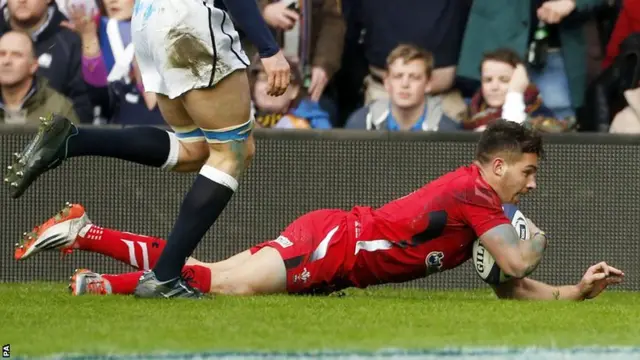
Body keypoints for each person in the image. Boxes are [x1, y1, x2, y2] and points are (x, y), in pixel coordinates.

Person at [15, 120, 624, 300]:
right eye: (529, 171)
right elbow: (516, 267)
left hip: (334, 246)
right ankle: (91, 250)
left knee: (206, 276)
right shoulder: (478, 195)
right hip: (336, 245)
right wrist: (534, 238)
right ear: (497, 166)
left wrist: (577, 291)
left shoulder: (481, 206)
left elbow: (513, 290)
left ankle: (88, 244)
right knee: (221, 287)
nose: (533, 184)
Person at [4, 0, 291, 299]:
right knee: (232, 152)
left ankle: (72, 140)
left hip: (148, 20)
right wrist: (269, 49)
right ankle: (165, 277)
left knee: (196, 149)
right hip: (189, 20)